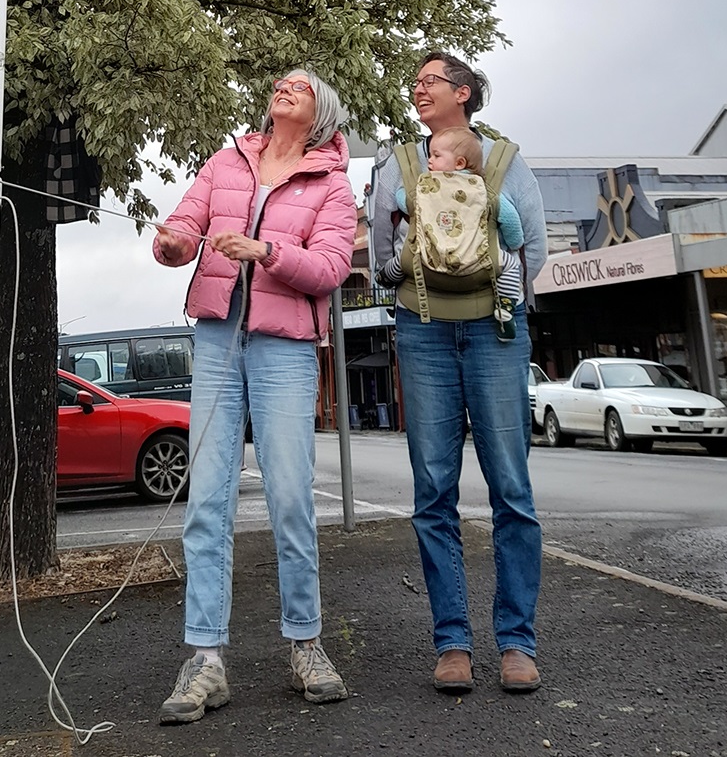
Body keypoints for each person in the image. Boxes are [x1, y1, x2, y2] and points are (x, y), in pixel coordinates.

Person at [153, 69, 357, 725]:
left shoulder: (332, 186)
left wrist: (266, 250)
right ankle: (206, 660)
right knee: (206, 499)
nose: (282, 86)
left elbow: (330, 271)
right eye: (278, 82)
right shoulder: (226, 160)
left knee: (291, 496)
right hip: (216, 342)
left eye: (298, 85)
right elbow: (186, 225)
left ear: (318, 110)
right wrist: (173, 243)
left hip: (286, 351)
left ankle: (305, 644)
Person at [372, 53, 548, 695]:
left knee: (511, 487)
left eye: (429, 82)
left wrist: (501, 297)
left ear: (464, 93)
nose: (416, 90)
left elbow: (532, 245)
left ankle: (516, 643)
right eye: (413, 82)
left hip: (496, 329)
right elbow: (380, 254)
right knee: (433, 489)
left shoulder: (507, 159)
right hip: (422, 329)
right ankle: (452, 642)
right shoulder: (396, 161)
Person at [377, 124, 526, 331]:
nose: (429, 160)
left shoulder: (428, 186)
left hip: (432, 254)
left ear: (459, 162)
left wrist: (401, 191)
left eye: (436, 156)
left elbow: (406, 202)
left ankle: (385, 276)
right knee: (509, 266)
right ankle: (506, 305)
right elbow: (509, 218)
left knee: (405, 259)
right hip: (477, 256)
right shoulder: (482, 188)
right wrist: (514, 242)